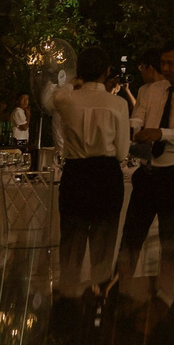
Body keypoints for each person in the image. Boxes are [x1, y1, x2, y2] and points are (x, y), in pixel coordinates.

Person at [120, 37, 174, 260]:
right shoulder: (149, 91)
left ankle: (167, 290)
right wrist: (132, 128)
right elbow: (137, 117)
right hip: (146, 174)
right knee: (130, 239)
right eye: (163, 63)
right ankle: (119, 290)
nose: (166, 68)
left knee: (170, 243)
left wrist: (161, 133)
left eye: (172, 63)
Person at [53, 51, 132, 288]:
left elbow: (58, 92)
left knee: (71, 243)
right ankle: (100, 301)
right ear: (107, 71)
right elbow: (121, 152)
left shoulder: (65, 100)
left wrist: (74, 82)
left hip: (75, 174)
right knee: (103, 244)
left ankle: (68, 300)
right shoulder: (118, 104)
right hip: (106, 175)